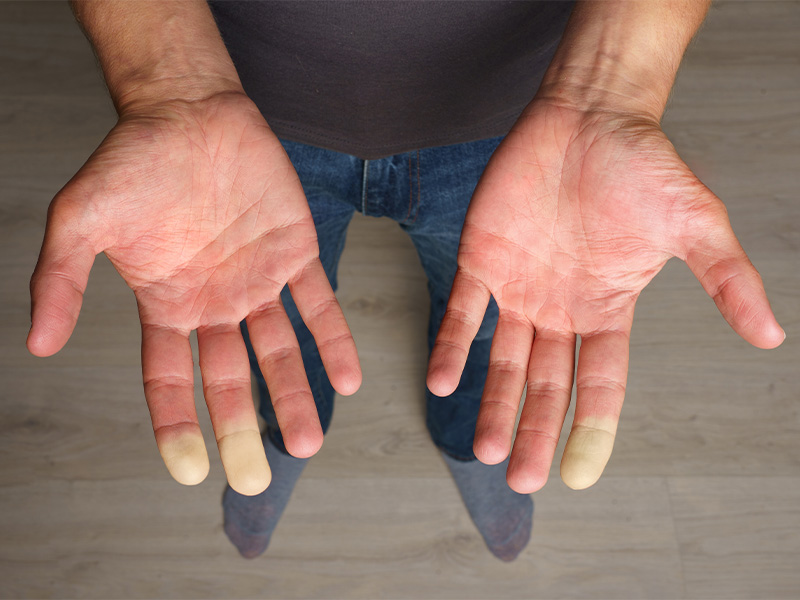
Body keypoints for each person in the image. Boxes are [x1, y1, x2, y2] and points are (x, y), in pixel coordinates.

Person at [27, 0, 784, 562]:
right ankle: (287, 435)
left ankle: (468, 445)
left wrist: (608, 90)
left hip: (524, 119)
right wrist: (171, 83)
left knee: (499, 321)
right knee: (266, 319)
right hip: (243, 112)